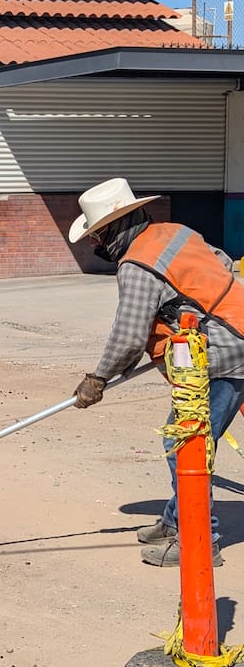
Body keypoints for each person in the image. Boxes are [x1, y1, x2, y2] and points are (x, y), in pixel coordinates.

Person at [69, 177, 244, 567]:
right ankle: (174, 519)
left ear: (117, 227)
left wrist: (97, 379)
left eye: (98, 236)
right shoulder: (174, 232)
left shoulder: (138, 265)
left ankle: (199, 540)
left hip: (226, 353)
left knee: (185, 444)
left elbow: (129, 336)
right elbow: (223, 264)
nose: (97, 245)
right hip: (234, 335)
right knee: (186, 441)